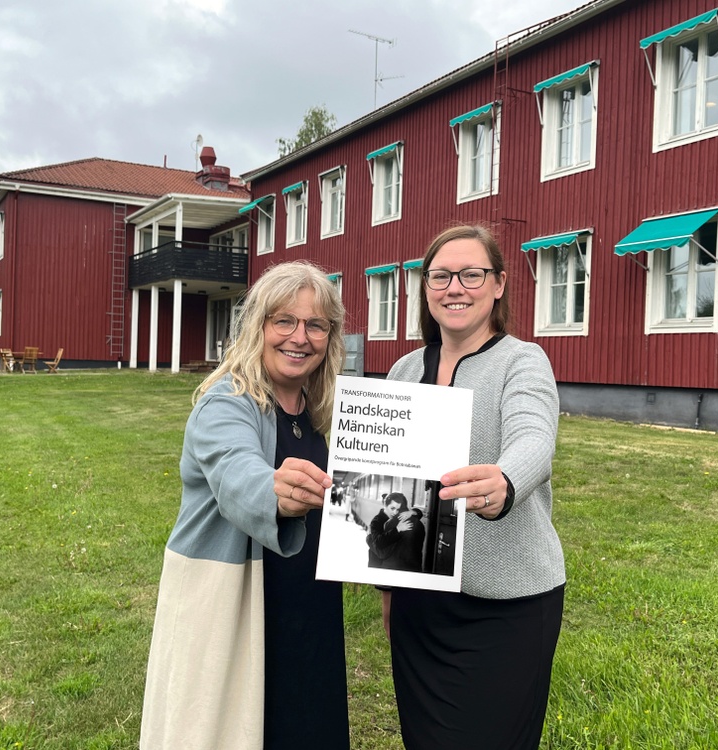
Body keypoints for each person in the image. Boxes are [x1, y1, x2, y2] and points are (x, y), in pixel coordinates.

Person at [140, 261, 350, 750]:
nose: (300, 337)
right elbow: (237, 472)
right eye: (284, 321)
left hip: (309, 607)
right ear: (257, 326)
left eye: (315, 325)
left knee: (306, 723)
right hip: (234, 598)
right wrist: (277, 491)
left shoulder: (324, 412)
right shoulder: (225, 402)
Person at [384, 225, 566, 750]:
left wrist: (505, 480)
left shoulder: (522, 360)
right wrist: (386, 583)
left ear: (499, 284)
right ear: (425, 287)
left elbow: (534, 438)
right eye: (440, 276)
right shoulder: (401, 372)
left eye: (471, 274)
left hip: (508, 602)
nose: (455, 287)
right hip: (421, 601)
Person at [366, 491, 425, 572]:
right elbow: (379, 543)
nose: (395, 512)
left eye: (398, 509)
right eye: (392, 508)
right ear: (385, 505)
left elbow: (419, 513)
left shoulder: (399, 517)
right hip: (376, 563)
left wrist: (413, 512)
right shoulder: (377, 521)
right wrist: (397, 529)